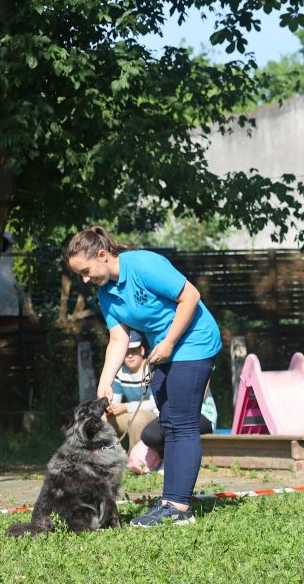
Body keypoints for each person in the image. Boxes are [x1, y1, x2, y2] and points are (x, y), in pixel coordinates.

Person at [66, 226, 222, 528]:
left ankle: (179, 506)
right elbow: (118, 338)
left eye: (86, 271)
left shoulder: (144, 265)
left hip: (194, 342)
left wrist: (168, 342)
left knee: (183, 422)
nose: (85, 279)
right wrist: (105, 381)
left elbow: (190, 296)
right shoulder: (106, 293)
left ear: (102, 255)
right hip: (162, 351)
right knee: (169, 423)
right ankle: (171, 501)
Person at [136, 387, 217, 472]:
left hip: (201, 413)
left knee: (173, 424)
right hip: (172, 412)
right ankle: (167, 460)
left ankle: (176, 464)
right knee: (148, 434)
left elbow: (198, 395)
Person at [106, 328, 159, 450]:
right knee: (103, 419)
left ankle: (135, 461)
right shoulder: (119, 372)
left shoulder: (151, 369)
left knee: (138, 419)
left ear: (142, 350)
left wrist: (126, 407)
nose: (130, 355)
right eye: (126, 351)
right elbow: (115, 400)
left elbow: (154, 403)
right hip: (130, 413)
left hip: (154, 416)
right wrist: (110, 407)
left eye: (134, 351)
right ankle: (112, 456)